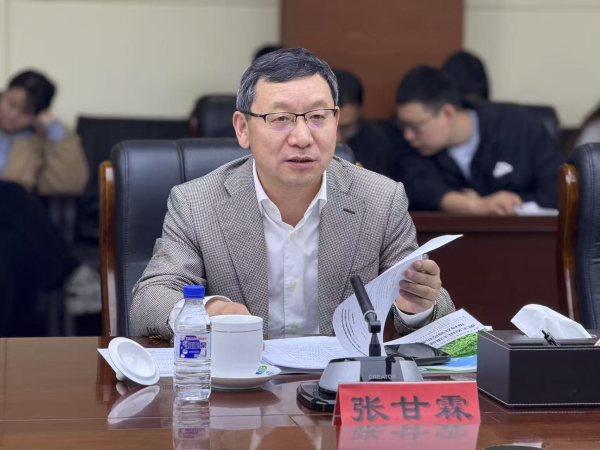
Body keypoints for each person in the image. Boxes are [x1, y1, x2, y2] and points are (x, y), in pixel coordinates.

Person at [131, 48, 455, 340]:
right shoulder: (196, 203)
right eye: (281, 119)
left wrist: (418, 307)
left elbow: (436, 310)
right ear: (243, 129)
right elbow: (150, 299)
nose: (302, 138)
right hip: (243, 381)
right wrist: (211, 310)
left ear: (335, 122)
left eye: (317, 117)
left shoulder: (381, 199)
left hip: (337, 382)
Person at [387, 66, 563, 214]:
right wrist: (475, 206)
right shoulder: (409, 146)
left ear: (447, 113)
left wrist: (508, 204)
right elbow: (418, 188)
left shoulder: (520, 127)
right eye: (403, 126)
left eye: (415, 126)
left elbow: (556, 192)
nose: (408, 135)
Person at [0, 70, 88, 195]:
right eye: (11, 104)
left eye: (25, 112)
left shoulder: (38, 143)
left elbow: (67, 185)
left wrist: (54, 130)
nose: (13, 115)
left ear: (37, 115)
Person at [334, 70, 396, 178]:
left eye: (345, 127)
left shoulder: (375, 140)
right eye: (334, 126)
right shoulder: (309, 136)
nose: (337, 136)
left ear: (359, 111)